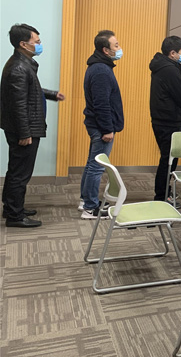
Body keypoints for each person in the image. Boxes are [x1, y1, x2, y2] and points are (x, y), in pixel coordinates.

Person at [1, 24, 65, 228]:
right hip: (24, 129)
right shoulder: (19, 68)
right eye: (36, 42)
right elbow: (18, 104)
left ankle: (11, 207)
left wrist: (52, 94)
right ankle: (15, 216)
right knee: (20, 173)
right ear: (23, 44)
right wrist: (25, 133)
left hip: (23, 127)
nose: (39, 44)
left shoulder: (21, 64)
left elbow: (29, 89)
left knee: (16, 170)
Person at [80, 30, 124, 219]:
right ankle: (90, 207)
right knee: (96, 167)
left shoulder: (99, 67)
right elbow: (101, 103)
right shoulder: (101, 70)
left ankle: (85, 201)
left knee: (92, 164)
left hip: (96, 124)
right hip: (101, 127)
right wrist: (107, 129)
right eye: (116, 45)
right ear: (106, 50)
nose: (119, 48)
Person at [149, 35, 181, 206]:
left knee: (167, 159)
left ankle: (164, 192)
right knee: (168, 160)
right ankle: (162, 196)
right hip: (169, 121)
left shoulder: (161, 67)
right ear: (172, 53)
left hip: (162, 119)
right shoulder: (169, 70)